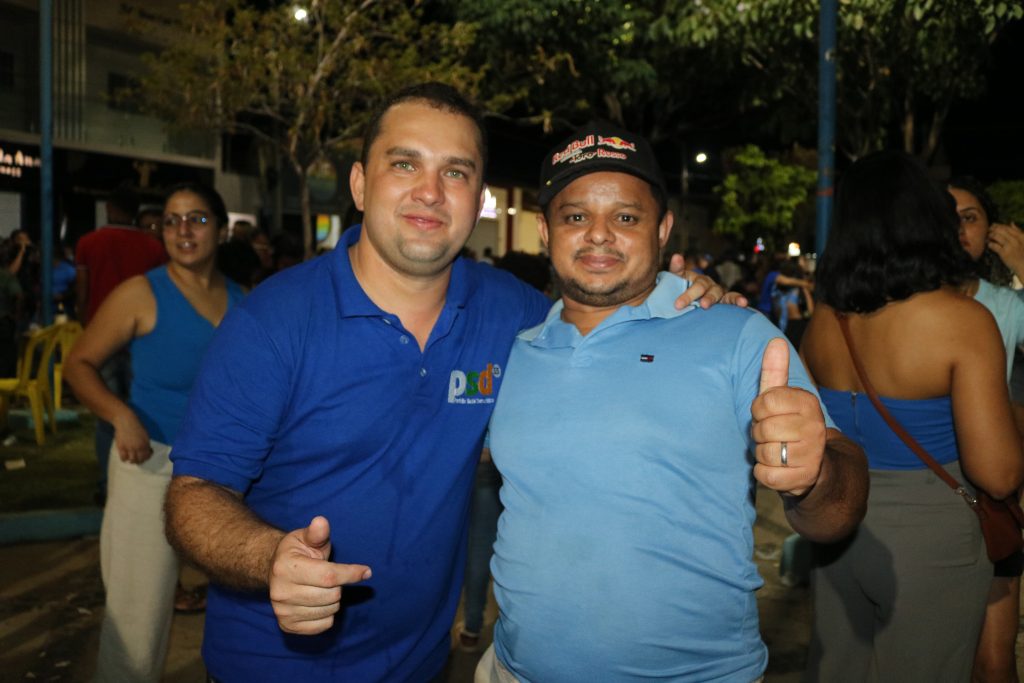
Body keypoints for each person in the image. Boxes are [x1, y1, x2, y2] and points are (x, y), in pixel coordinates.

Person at [162, 83, 731, 682]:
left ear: (479, 200)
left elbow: (613, 327)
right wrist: (269, 557)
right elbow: (192, 495)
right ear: (360, 184)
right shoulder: (272, 322)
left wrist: (690, 301)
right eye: (405, 164)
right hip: (270, 667)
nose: (430, 192)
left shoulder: (515, 315)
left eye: (455, 173)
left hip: (422, 665)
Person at [473, 122, 868, 683]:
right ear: (544, 230)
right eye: (576, 217)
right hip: (516, 671)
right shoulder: (515, 350)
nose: (599, 235)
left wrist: (814, 475)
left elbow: (837, 514)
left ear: (662, 229)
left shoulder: (736, 334)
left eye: (626, 218)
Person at [800, 152, 1024, 681]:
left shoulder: (825, 321)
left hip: (840, 527)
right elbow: (997, 474)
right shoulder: (963, 321)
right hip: (932, 541)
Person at [65, 182, 244, 682]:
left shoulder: (243, 300)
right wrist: (121, 415)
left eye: (197, 219)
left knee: (238, 614)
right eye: (171, 220)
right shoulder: (141, 293)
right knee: (137, 624)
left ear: (222, 230)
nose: (183, 230)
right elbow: (78, 364)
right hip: (150, 467)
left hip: (223, 473)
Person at [948, 176, 1024, 683]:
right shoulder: (898, 302)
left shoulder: (1007, 305)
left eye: (970, 218)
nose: (958, 229)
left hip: (990, 501)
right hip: (921, 500)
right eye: (945, 216)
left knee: (993, 662)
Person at [75, 185, 167, 503]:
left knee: (108, 413)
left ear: (110, 208)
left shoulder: (89, 243)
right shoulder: (153, 247)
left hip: (104, 338)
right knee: (142, 408)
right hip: (145, 337)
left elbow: (82, 290)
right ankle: (140, 478)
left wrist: (86, 324)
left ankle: (107, 483)